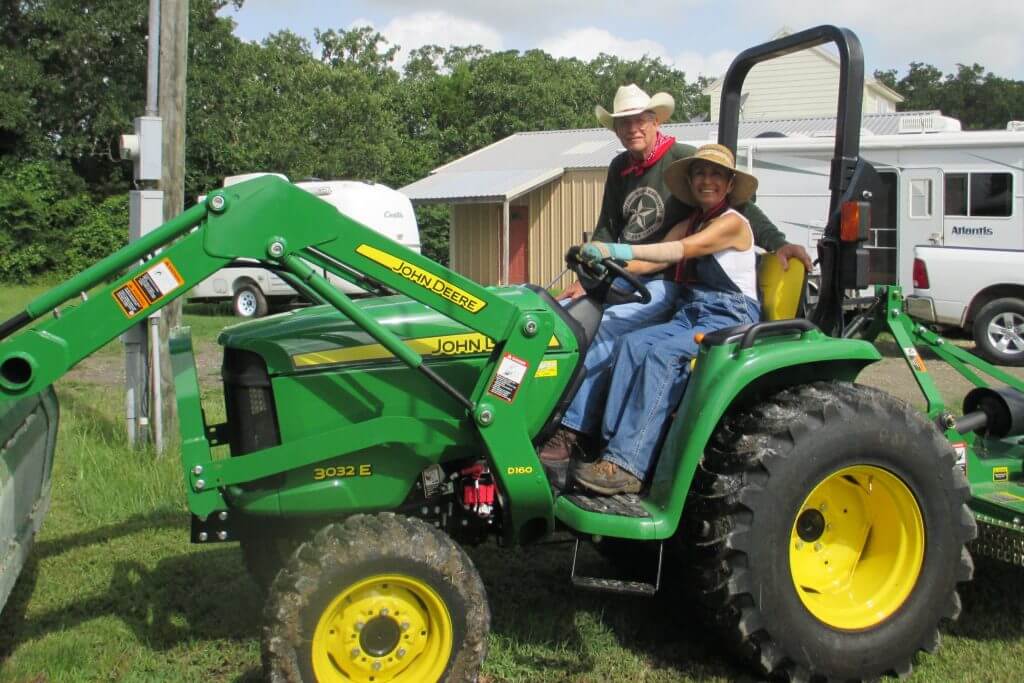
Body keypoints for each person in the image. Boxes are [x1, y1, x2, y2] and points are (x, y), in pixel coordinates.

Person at [539, 84, 809, 468]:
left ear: (655, 121)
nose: (705, 182)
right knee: (578, 323)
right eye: (623, 122)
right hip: (657, 283)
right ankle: (600, 442)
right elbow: (610, 226)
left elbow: (685, 247)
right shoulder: (639, 181)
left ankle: (583, 436)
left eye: (639, 120)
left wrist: (778, 242)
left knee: (612, 330)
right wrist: (590, 272)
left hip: (698, 297)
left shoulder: (698, 179)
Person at [570, 144, 762, 495]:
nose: (708, 180)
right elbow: (653, 263)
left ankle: (629, 465)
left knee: (663, 356)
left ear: (730, 184)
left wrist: (617, 249)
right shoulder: (690, 222)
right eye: (701, 173)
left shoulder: (732, 223)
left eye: (716, 174)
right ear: (690, 181)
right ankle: (609, 451)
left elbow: (680, 251)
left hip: (729, 315)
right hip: (691, 312)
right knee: (630, 344)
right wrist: (604, 264)